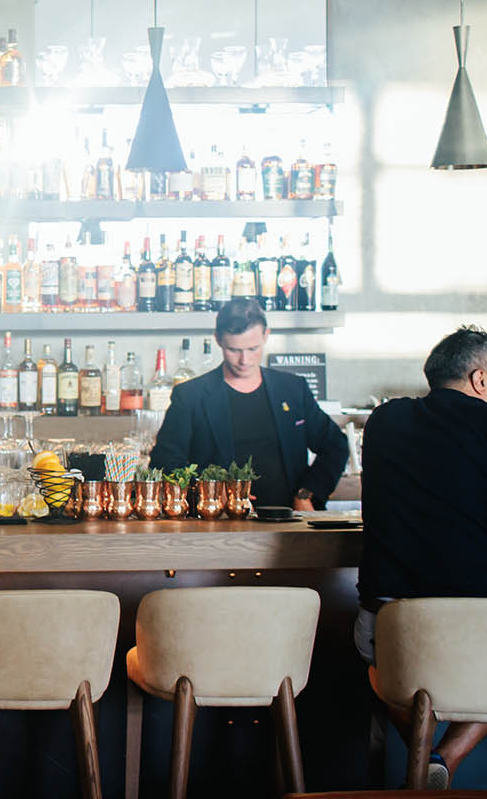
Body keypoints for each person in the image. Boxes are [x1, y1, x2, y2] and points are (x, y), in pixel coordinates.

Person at [355, 326, 487, 789]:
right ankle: (444, 759)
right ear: (481, 380)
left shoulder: (385, 420)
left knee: (374, 662)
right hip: (478, 624)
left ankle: (424, 756)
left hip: (393, 625)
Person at [150, 298, 348, 509]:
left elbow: (335, 445)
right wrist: (208, 494)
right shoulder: (190, 396)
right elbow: (164, 463)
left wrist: (307, 494)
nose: (245, 360)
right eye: (234, 350)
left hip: (288, 520)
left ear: (266, 335)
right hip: (217, 525)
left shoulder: (292, 389)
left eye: (253, 349)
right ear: (218, 340)